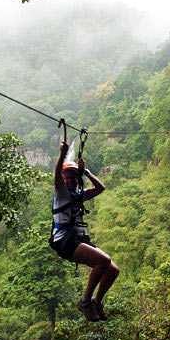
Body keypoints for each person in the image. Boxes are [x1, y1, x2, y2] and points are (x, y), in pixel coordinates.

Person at [49, 137, 119, 322]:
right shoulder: (61, 193)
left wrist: (86, 172)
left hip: (77, 239)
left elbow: (100, 188)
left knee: (113, 270)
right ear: (64, 179)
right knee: (103, 261)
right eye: (68, 177)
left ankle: (96, 302)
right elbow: (57, 176)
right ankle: (85, 301)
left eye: (73, 176)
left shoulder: (78, 195)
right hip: (64, 241)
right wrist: (62, 154)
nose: (70, 179)